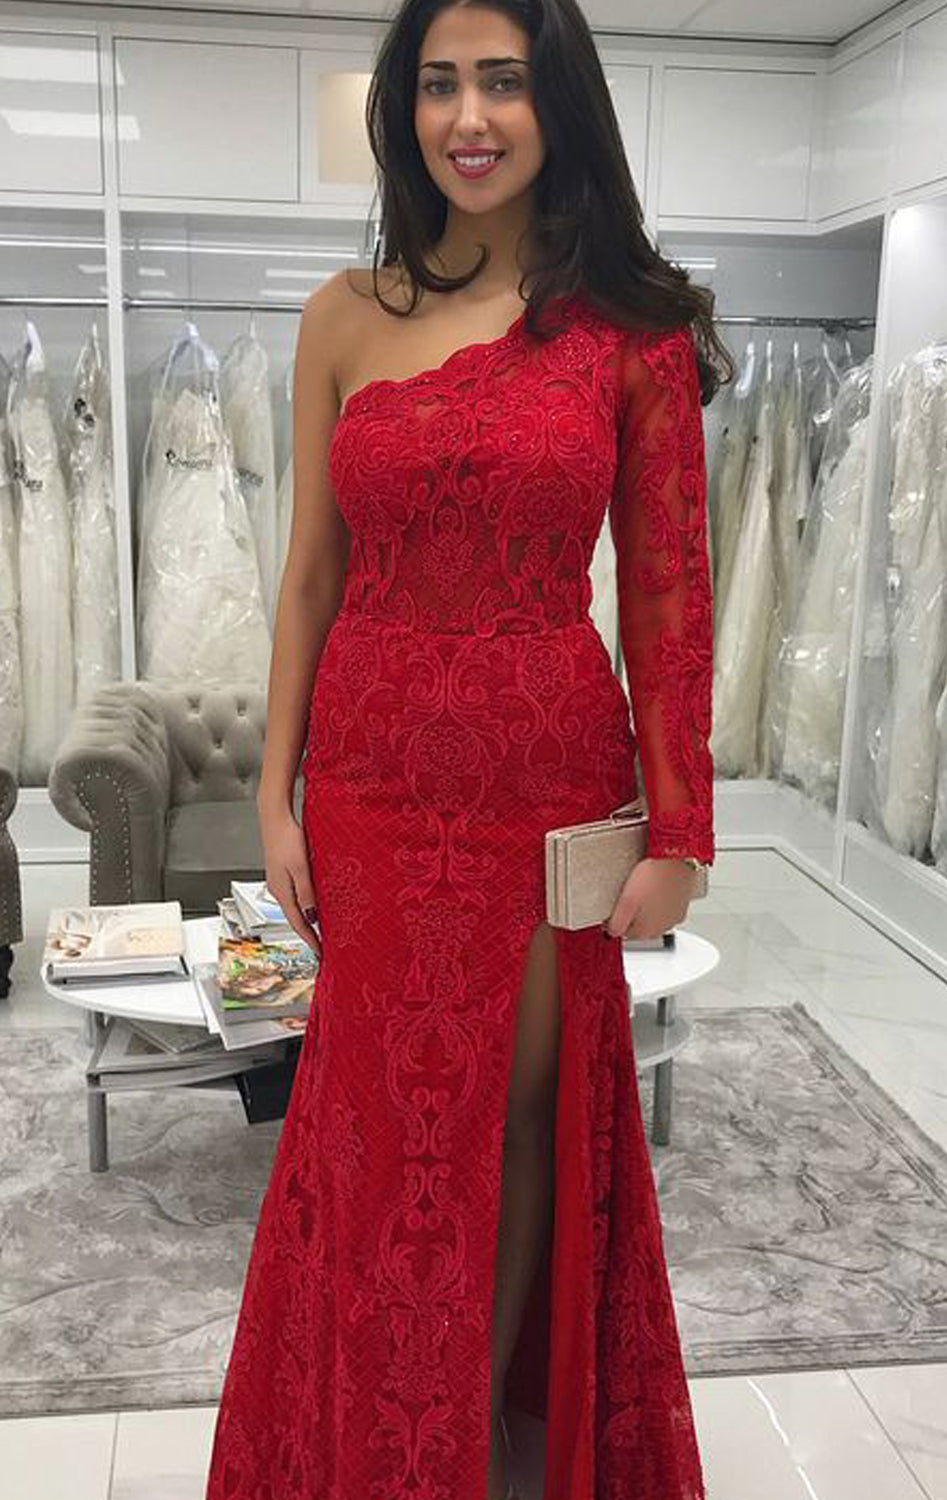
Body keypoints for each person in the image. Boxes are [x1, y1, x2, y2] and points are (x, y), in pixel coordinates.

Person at [204, 0, 732, 1497]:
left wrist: (681, 832)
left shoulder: (628, 331)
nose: (470, 117)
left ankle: (460, 1454)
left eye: (504, 81)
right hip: (371, 787)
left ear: (557, 103)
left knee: (512, 1124)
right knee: (376, 1132)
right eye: (439, 85)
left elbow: (671, 590)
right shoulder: (339, 316)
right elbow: (311, 573)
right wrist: (275, 792)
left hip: (542, 788)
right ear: (403, 111)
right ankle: (374, 1434)